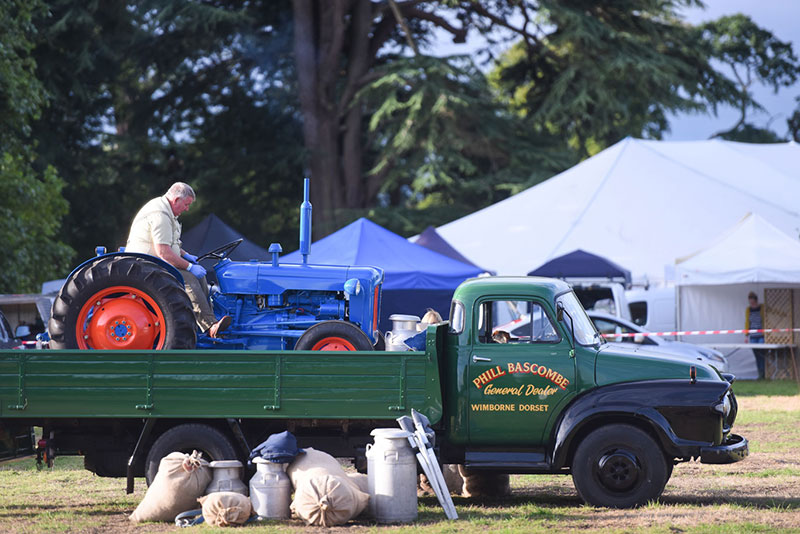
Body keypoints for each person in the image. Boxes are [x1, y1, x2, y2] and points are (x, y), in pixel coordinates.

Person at [125, 182, 231, 338]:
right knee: (189, 278)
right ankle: (210, 326)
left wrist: (186, 255)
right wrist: (188, 267)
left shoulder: (168, 213)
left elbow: (169, 244)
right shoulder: (160, 214)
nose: (187, 209)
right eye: (186, 204)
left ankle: (207, 321)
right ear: (176, 200)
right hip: (144, 265)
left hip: (156, 261)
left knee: (199, 277)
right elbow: (163, 252)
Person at [745, 291, 766, 379]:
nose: (751, 302)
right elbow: (747, 322)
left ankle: (764, 373)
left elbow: (765, 319)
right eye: (750, 300)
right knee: (757, 355)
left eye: (752, 300)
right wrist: (746, 335)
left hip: (761, 335)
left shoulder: (762, 307)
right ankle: (760, 373)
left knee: (762, 354)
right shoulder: (748, 310)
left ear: (755, 299)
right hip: (753, 336)